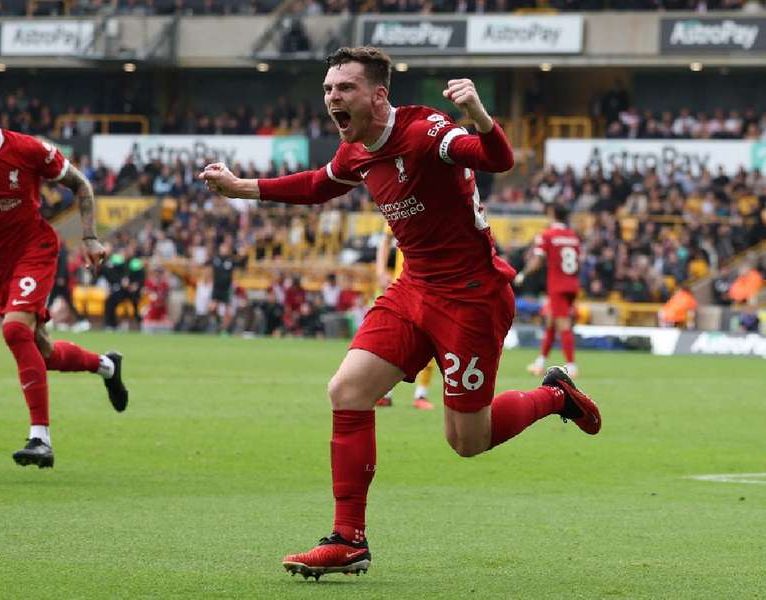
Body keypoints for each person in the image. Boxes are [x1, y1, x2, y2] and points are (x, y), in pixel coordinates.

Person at [200, 47, 601, 580]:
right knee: (347, 390)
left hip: (471, 298)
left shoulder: (428, 131)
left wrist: (480, 115)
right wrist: (243, 188)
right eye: (327, 90)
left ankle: (554, 396)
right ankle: (348, 539)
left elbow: (498, 159)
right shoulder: (357, 149)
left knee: (467, 441)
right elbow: (320, 184)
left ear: (378, 95)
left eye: (343, 89)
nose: (331, 99)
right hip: (414, 288)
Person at [0, 80, 129, 469]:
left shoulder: (27, 148)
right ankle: (107, 366)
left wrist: (90, 237)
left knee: (15, 331)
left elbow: (80, 184)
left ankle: (40, 438)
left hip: (34, 249)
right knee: (41, 353)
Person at [514, 203, 582, 378]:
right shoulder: (573, 236)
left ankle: (571, 366)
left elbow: (537, 262)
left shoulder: (547, 235)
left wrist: (522, 275)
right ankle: (540, 363)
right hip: (572, 284)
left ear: (552, 213)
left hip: (557, 286)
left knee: (563, 324)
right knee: (551, 323)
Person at [375, 225, 434, 410]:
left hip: (430, 287)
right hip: (401, 286)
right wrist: (380, 270)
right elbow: (385, 240)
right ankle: (385, 393)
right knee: (392, 340)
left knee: (429, 340)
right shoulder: (406, 205)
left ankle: (421, 394)